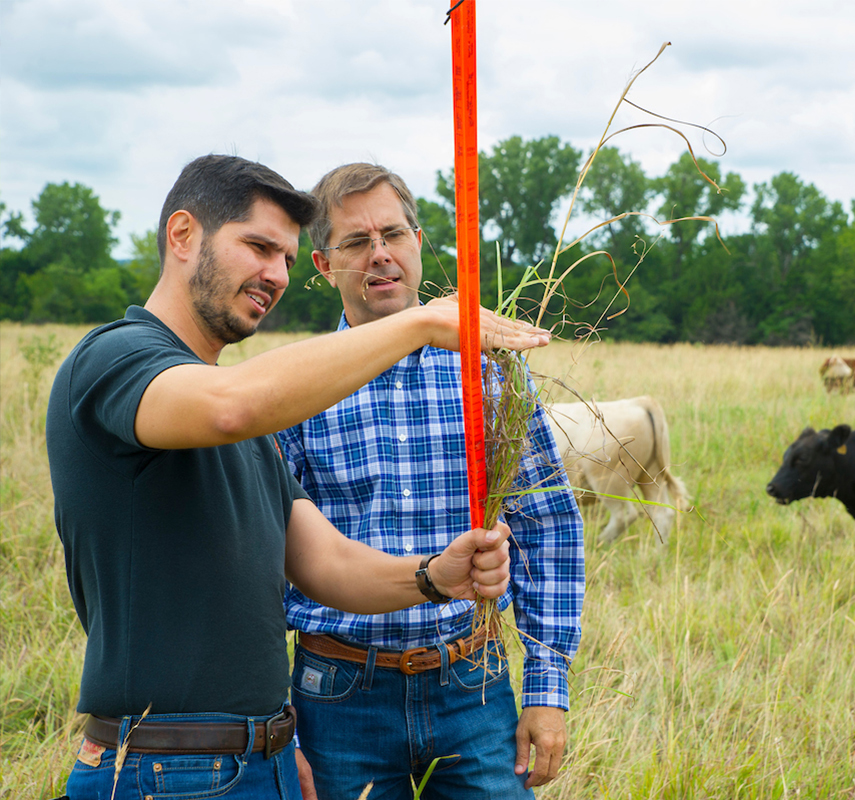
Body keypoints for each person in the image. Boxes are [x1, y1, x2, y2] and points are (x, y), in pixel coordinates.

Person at [46, 154, 550, 800]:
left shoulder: (242, 420)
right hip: (163, 766)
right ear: (182, 236)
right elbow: (232, 407)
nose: (275, 274)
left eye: (285, 256)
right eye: (258, 246)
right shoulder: (115, 358)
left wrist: (432, 577)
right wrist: (419, 323)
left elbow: (325, 563)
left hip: (264, 757)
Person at [277, 162, 585, 798]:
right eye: (357, 242)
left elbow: (546, 521)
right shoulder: (295, 387)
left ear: (420, 242)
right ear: (322, 265)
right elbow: (262, 559)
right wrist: (287, 731)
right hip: (337, 694)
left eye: (393, 234)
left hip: (471, 679)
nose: (380, 255)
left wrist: (546, 692)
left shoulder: (489, 371)